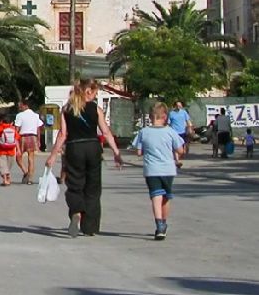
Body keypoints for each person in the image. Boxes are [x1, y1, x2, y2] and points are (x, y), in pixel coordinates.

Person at [45, 79, 123, 237]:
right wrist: (116, 152)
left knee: (75, 183)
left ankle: (76, 212)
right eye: (95, 93)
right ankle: (90, 227)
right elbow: (106, 132)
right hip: (93, 147)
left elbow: (62, 134)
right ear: (90, 92)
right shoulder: (96, 109)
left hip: (74, 147)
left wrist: (53, 156)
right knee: (93, 187)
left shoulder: (67, 109)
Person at [130, 101, 184, 240]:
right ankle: (163, 223)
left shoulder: (143, 132)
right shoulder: (171, 132)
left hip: (151, 169)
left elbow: (139, 152)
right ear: (165, 116)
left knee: (156, 196)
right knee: (166, 197)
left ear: (150, 116)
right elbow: (180, 149)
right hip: (168, 170)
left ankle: (159, 224)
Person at [14, 99, 44, 184]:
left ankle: (25, 171)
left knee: (18, 156)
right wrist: (38, 139)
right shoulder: (35, 115)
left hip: (23, 137)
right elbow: (39, 128)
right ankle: (30, 178)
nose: (20, 107)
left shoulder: (20, 115)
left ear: (25, 105)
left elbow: (17, 129)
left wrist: (15, 140)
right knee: (31, 158)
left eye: (21, 105)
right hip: (33, 137)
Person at [0, 110, 18, 186]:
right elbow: (17, 139)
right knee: (8, 166)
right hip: (11, 150)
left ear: (1, 120)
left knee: (2, 166)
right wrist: (18, 150)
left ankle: (5, 179)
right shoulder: (12, 128)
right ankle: (7, 176)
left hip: (1, 150)